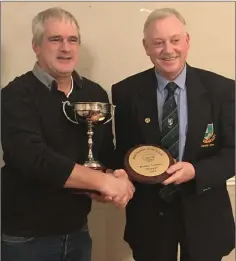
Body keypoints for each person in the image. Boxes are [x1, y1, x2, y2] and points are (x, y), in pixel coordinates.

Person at [1, 7, 134, 261]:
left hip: (78, 233)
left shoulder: (94, 95)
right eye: (55, 39)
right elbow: (33, 159)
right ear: (36, 46)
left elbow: (103, 153)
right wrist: (102, 183)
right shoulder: (15, 95)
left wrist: (114, 175)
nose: (66, 47)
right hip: (25, 238)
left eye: (72, 40)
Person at [112, 7, 235, 261]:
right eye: (158, 43)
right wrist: (118, 174)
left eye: (175, 40)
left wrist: (196, 172)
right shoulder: (125, 92)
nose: (168, 50)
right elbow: (123, 151)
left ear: (187, 41)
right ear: (146, 47)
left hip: (205, 217)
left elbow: (233, 152)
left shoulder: (222, 90)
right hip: (149, 219)